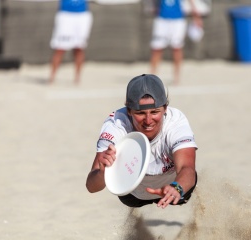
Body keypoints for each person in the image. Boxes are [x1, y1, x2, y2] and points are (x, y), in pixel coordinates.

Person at [86, 74, 198, 209]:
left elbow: (187, 168)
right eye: (140, 113)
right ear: (129, 111)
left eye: (155, 112)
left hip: (171, 187)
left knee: (188, 185)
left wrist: (177, 188)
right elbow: (91, 187)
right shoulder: (116, 124)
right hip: (133, 194)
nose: (148, 120)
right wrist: (101, 173)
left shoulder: (176, 122)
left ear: (165, 108)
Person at [149, 0, 202, 85]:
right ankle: (152, 76)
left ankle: (176, 77)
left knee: (177, 48)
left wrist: (196, 16)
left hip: (178, 20)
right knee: (157, 48)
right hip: (162, 19)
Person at [49, 0, 93, 84]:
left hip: (82, 14)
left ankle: (77, 78)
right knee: (59, 48)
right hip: (65, 14)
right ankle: (52, 78)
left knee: (79, 48)